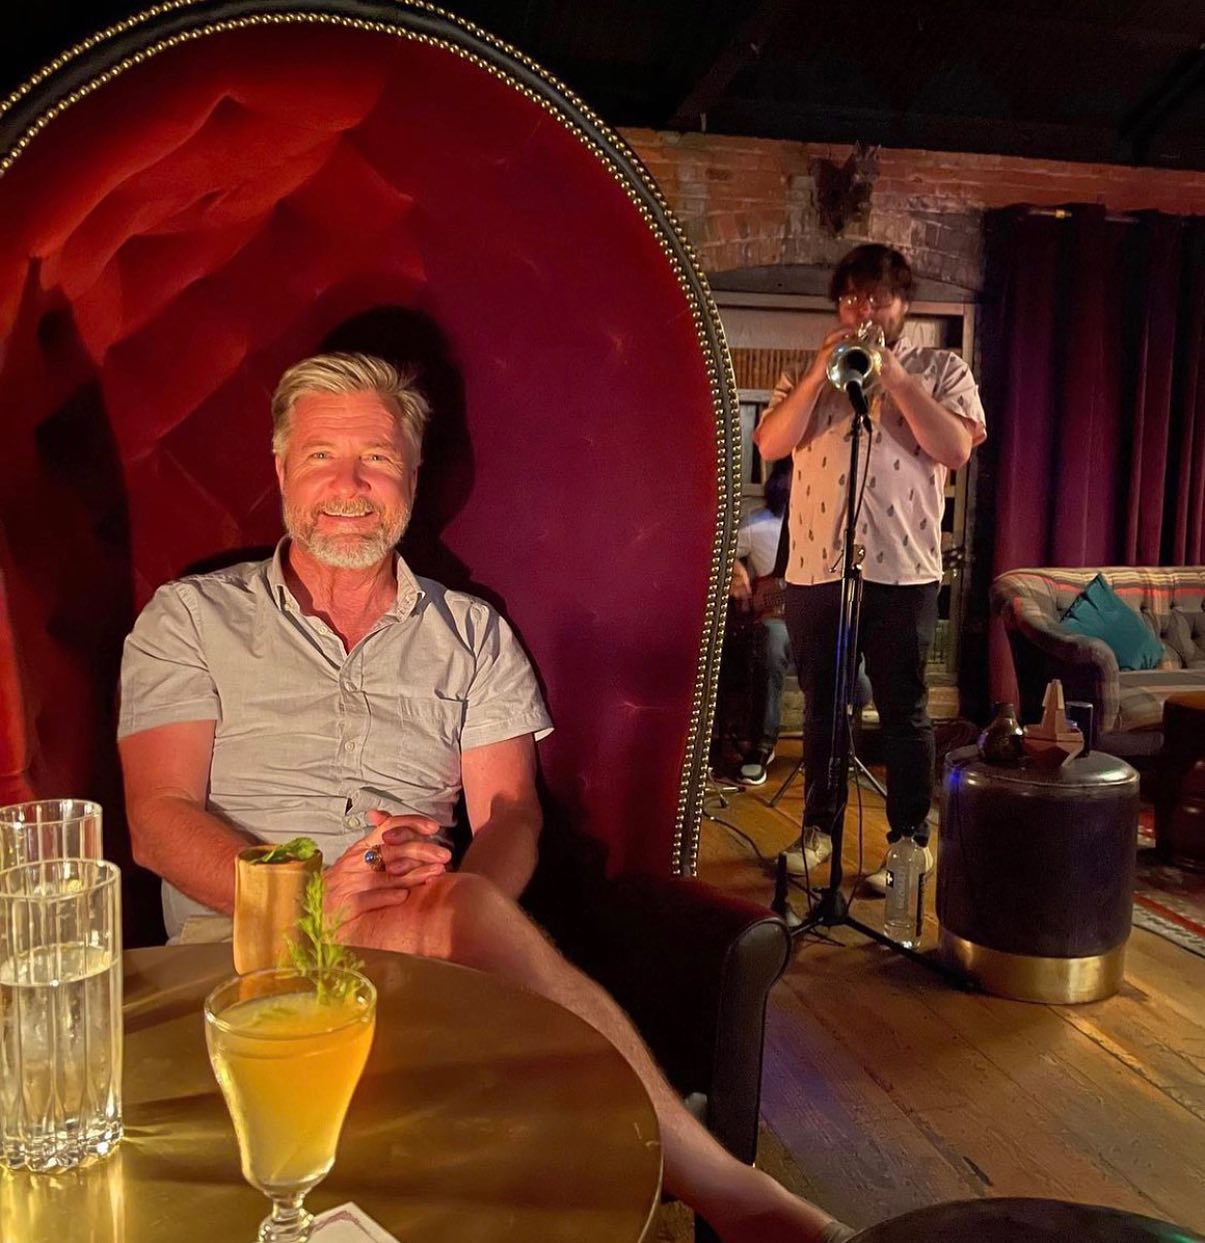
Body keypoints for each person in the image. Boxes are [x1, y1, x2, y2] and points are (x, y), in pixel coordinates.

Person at [118, 352, 854, 1243]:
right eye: (320, 457)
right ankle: (743, 1201)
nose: (349, 485)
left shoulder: (471, 632)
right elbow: (158, 818)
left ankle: (726, 1198)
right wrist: (307, 894)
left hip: (418, 937)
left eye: (376, 458)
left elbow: (511, 814)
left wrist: (459, 900)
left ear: (412, 475)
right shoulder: (189, 618)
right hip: (239, 953)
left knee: (467, 912)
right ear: (280, 469)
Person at [752, 245, 986, 891]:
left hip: (903, 570)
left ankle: (908, 841)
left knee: (903, 709)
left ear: (902, 306)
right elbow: (769, 443)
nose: (865, 310)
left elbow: (954, 448)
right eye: (853, 298)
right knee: (824, 708)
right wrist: (814, 377)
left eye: (879, 298)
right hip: (817, 568)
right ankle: (818, 831)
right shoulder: (812, 373)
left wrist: (899, 381)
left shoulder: (942, 368)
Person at [725, 462, 793, 786]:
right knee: (772, 635)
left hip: (818, 622)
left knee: (858, 676)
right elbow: (718, 549)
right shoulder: (760, 525)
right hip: (777, 621)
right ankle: (760, 746)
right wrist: (736, 569)